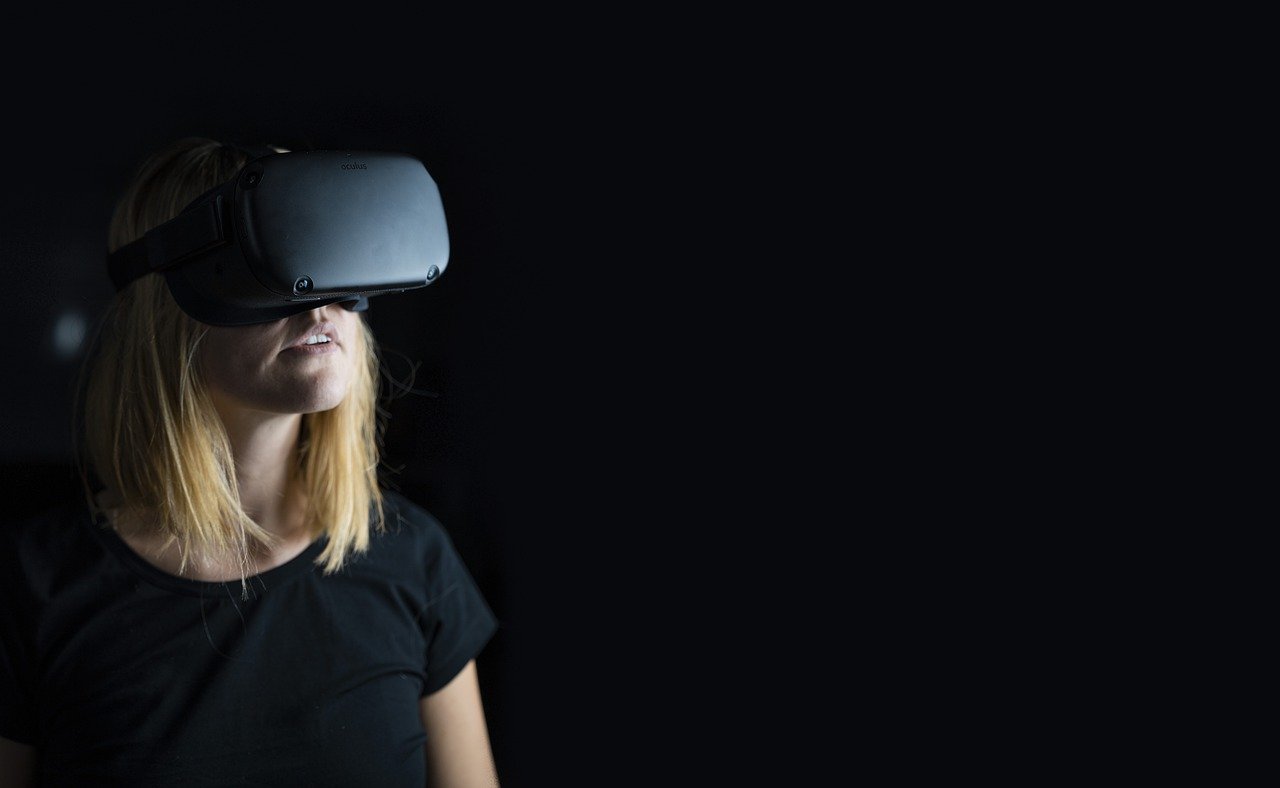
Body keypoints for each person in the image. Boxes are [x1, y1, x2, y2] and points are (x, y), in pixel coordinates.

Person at [0, 138, 501, 786]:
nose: (319, 304)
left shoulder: (416, 563)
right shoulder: (32, 588)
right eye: (273, 263)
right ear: (166, 306)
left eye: (331, 259)